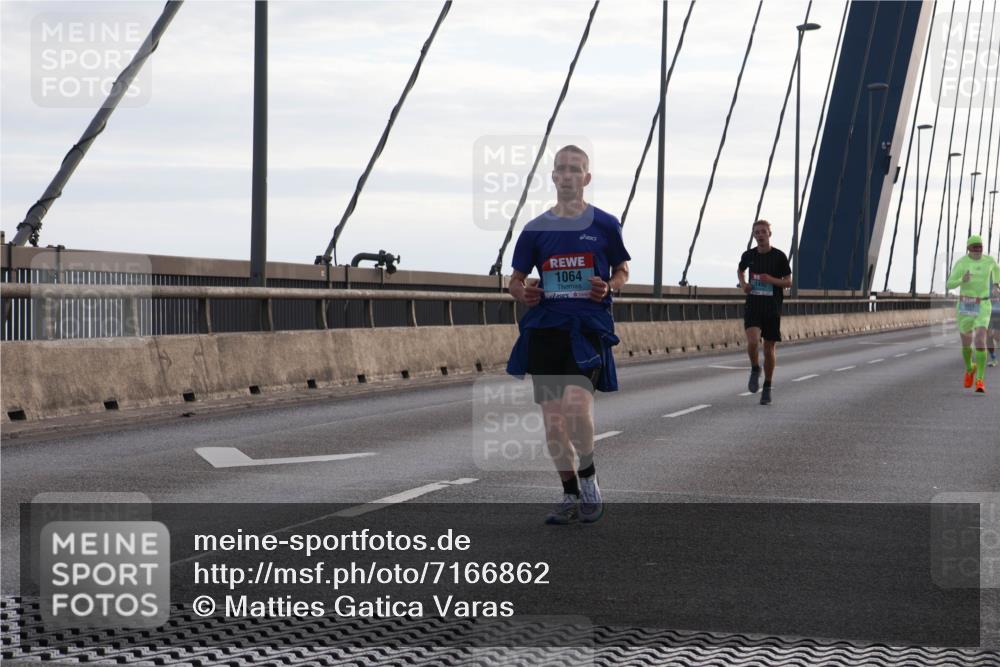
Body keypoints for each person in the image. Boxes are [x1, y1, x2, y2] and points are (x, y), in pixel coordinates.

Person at [507, 145, 631, 525]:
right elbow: (513, 279)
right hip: (546, 330)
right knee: (554, 422)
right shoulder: (535, 229)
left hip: (586, 330)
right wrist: (522, 291)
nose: (568, 175)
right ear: (554, 177)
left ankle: (589, 480)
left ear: (586, 178)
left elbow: (623, 270)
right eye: (561, 169)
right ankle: (568, 492)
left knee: (577, 407)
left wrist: (609, 286)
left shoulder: (606, 225)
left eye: (575, 169)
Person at [737, 220, 792, 406]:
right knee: (753, 342)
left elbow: (788, 282)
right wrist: (744, 285)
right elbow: (740, 270)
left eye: (763, 232)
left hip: (772, 307)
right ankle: (754, 368)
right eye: (756, 232)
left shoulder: (779, 257)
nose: (760, 235)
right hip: (753, 304)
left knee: (769, 349)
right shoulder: (749, 255)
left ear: (769, 234)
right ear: (754, 236)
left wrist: (771, 280)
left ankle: (767, 387)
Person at [946, 235, 1000, 392]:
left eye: (980, 247)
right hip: (965, 305)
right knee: (966, 342)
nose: (978, 250)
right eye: (974, 247)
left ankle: (980, 380)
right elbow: (949, 284)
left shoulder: (989, 260)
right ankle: (970, 368)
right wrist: (961, 279)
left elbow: (997, 269)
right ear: (968, 248)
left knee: (980, 339)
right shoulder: (962, 263)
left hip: (983, 304)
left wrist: (996, 284)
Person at [989, 282, 1000, 368]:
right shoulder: (986, 295)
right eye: (992, 288)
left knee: (996, 337)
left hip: (998, 316)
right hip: (988, 316)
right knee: (988, 337)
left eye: (995, 288)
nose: (994, 290)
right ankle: (993, 359)